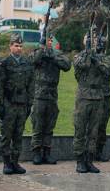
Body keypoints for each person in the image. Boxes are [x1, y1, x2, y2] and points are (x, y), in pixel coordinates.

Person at [73, 34, 110, 173]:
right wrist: (87, 53)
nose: (93, 41)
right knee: (80, 130)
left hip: (98, 97)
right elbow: (80, 65)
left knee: (93, 131)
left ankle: (89, 160)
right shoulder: (79, 56)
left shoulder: (102, 57)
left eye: (95, 39)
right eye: (90, 39)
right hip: (84, 97)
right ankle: (80, 161)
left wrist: (97, 60)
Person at [0, 34, 34, 174]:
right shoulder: (4, 63)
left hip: (22, 104)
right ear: (10, 46)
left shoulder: (27, 64)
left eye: (20, 46)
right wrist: (1, 103)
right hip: (9, 104)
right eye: (16, 45)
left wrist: (30, 103)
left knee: (18, 134)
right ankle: (6, 163)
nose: (19, 48)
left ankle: (15, 162)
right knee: (7, 134)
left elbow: (31, 85)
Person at [31, 34, 71, 165]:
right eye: (46, 40)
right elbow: (33, 61)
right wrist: (42, 50)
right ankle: (36, 152)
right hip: (39, 94)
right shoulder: (37, 52)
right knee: (38, 124)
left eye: (50, 40)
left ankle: (46, 152)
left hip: (52, 95)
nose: (49, 42)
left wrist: (52, 56)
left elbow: (67, 65)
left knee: (49, 125)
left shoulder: (56, 54)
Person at [95, 37, 110, 162]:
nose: (101, 45)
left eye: (103, 44)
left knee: (102, 125)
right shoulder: (91, 56)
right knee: (92, 124)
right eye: (99, 43)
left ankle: (99, 150)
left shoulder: (107, 59)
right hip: (94, 94)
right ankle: (90, 150)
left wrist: (101, 61)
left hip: (106, 95)